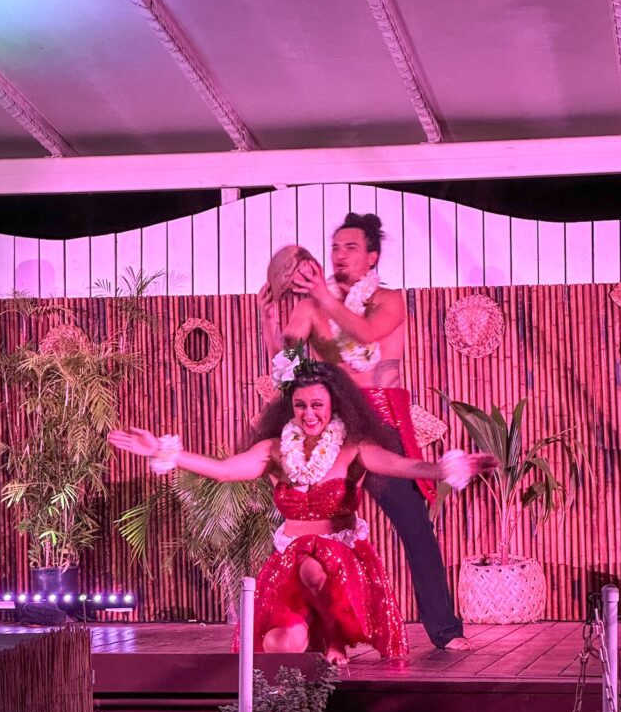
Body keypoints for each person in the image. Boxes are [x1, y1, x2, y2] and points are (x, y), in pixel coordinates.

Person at [108, 359, 495, 666]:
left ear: (335, 405)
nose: (308, 415)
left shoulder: (353, 447)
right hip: (289, 569)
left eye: (317, 405)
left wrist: (443, 469)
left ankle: (336, 639)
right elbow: (225, 470)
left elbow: (401, 466)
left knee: (315, 559)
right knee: (282, 644)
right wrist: (163, 449)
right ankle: (305, 672)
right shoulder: (276, 449)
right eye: (300, 406)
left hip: (339, 567)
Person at [258, 213, 472, 650]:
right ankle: (323, 635)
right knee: (318, 527)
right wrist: (268, 324)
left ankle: (445, 632)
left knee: (414, 527)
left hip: (379, 422)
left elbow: (368, 332)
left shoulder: (390, 300)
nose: (339, 256)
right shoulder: (311, 306)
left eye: (350, 248)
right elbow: (288, 363)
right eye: (334, 248)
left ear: (372, 257)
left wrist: (322, 296)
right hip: (334, 428)